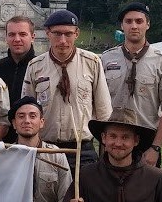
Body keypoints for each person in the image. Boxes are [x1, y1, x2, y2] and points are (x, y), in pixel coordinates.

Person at [22, 10, 111, 156]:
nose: (63, 40)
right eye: (57, 34)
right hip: (45, 148)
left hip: (82, 149)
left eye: (68, 34)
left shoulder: (92, 63)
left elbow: (104, 112)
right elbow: (26, 109)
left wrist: (105, 151)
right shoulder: (35, 66)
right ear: (47, 33)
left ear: (77, 34)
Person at [100, 2, 162, 167]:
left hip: (146, 142)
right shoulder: (105, 59)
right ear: (122, 25)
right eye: (128, 22)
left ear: (147, 24)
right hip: (113, 141)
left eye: (139, 21)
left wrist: (155, 148)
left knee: (144, 191)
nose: (134, 26)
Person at [0, 16, 38, 144]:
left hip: (32, 141)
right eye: (12, 34)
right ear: (6, 37)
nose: (17, 39)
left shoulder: (41, 68)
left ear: (32, 37)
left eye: (22, 34)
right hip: (1, 141)